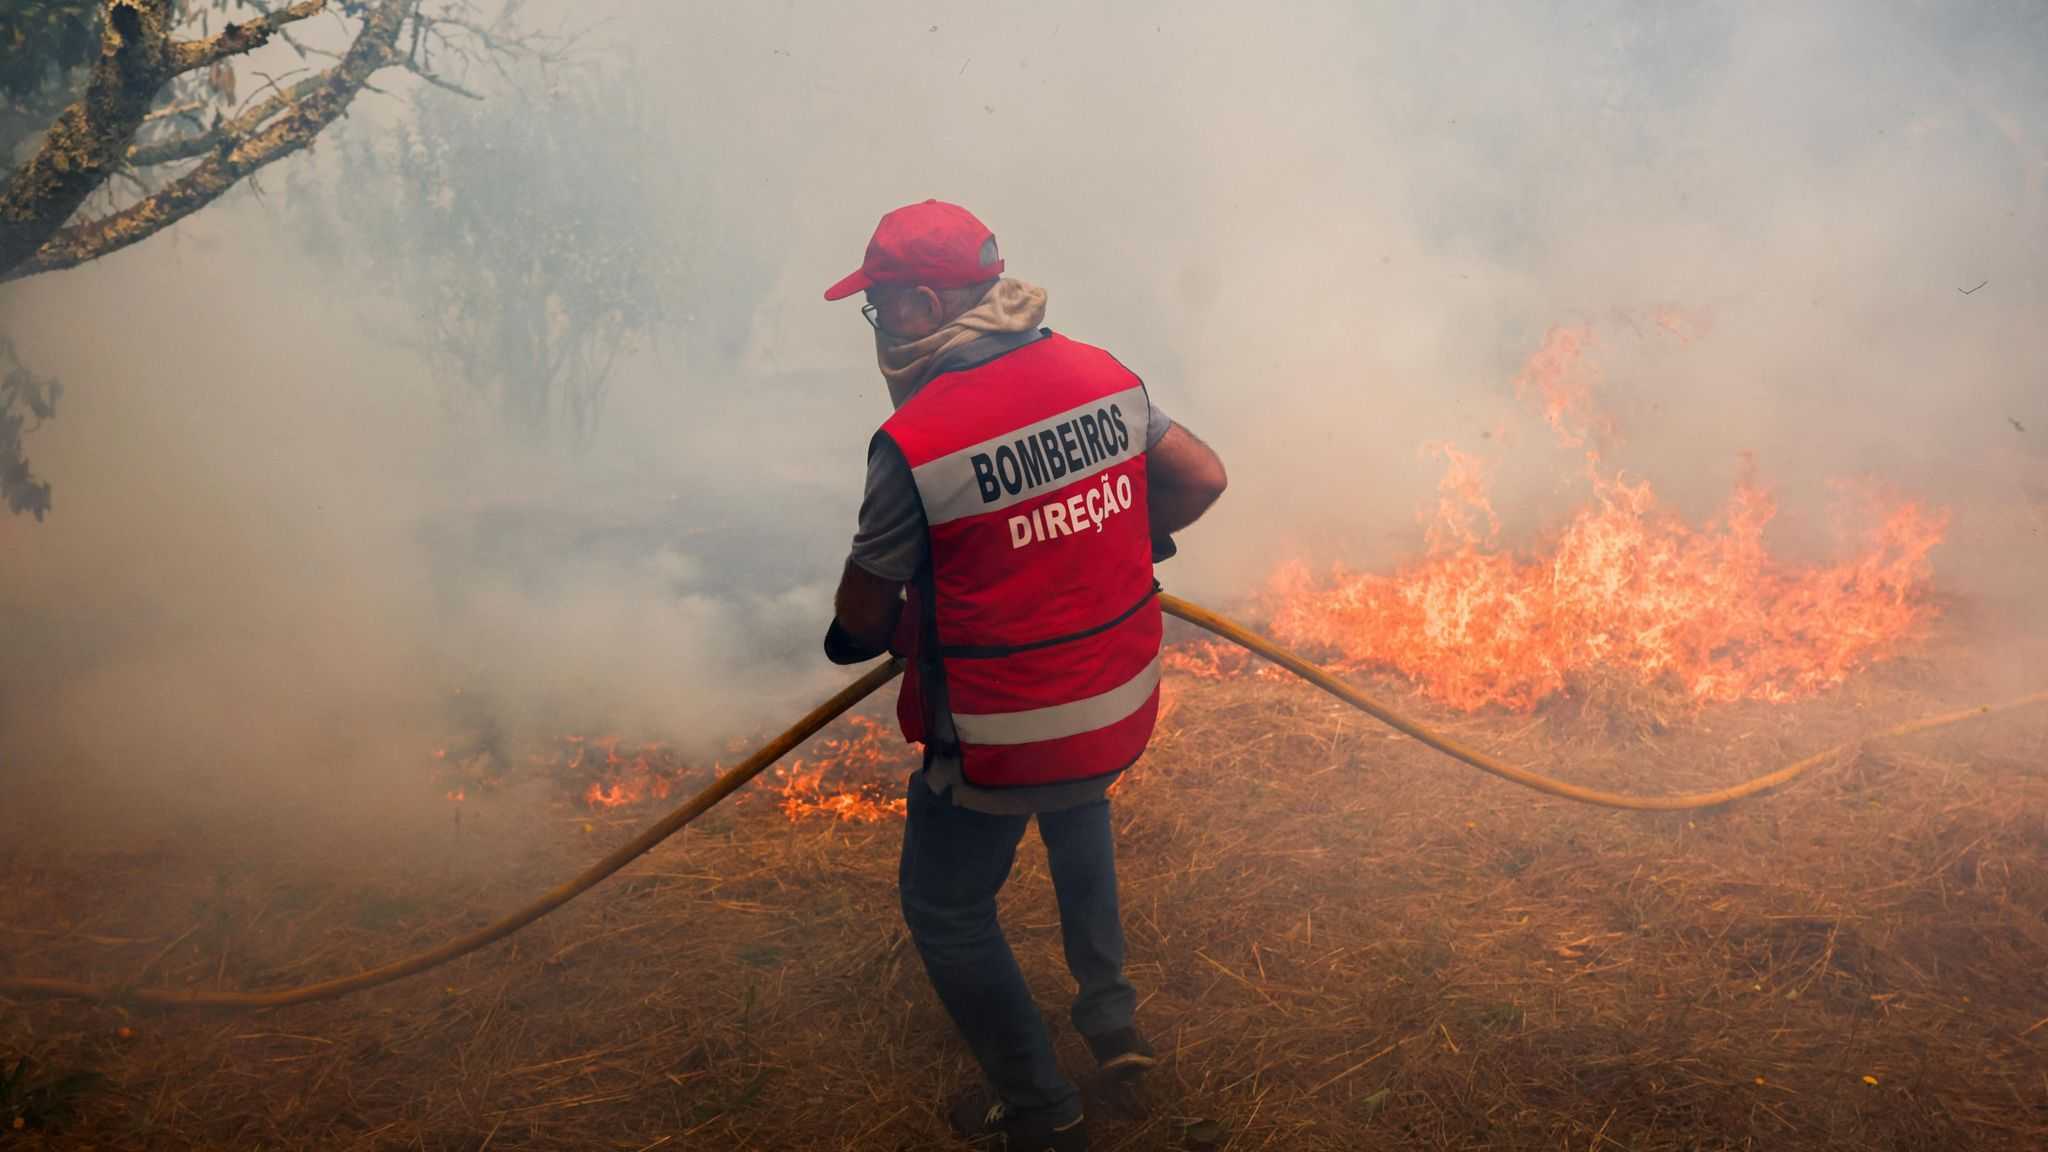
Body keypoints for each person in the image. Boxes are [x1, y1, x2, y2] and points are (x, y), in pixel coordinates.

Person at [821, 200, 1227, 1151]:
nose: (878, 327)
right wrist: (1127, 538)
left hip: (1006, 733)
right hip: (1114, 703)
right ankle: (1112, 1021)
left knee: (946, 906)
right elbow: (1200, 478)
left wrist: (855, 639)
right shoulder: (1100, 375)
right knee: (1077, 806)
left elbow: (862, 614)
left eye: (880, 307)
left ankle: (1041, 1112)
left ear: (923, 303)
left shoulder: (915, 444)